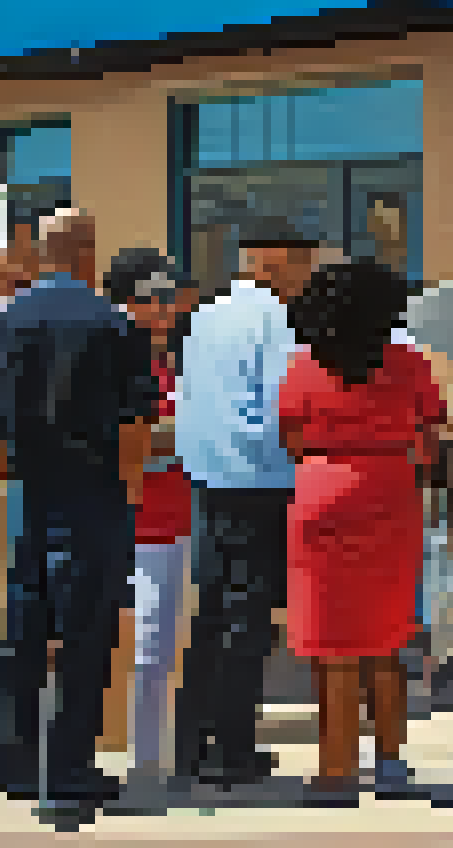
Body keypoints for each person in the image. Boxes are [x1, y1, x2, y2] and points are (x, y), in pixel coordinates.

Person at [0, 210, 157, 815]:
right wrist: (128, 486)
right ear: (88, 251)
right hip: (92, 491)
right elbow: (135, 423)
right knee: (85, 634)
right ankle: (68, 773)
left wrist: (7, 467)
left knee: (24, 631)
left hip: (34, 491)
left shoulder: (7, 319)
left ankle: (20, 764)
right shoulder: (113, 324)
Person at [282, 260, 446, 791]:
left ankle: (336, 768)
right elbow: (433, 428)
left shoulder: (304, 366)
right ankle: (391, 761)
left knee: (331, 643)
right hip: (391, 495)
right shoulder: (409, 363)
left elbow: (290, 437)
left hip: (320, 496)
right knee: (386, 636)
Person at [172, 216, 316, 789]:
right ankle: (234, 750)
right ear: (274, 262)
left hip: (206, 478)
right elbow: (289, 402)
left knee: (210, 614)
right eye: (302, 265)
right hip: (259, 481)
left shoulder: (206, 312)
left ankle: (189, 746)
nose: (306, 278)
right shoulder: (273, 316)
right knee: (248, 620)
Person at [95, 247, 197, 788]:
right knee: (131, 645)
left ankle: (150, 758)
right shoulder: (110, 362)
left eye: (168, 300)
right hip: (129, 520)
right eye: (148, 300)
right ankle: (135, 762)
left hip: (173, 520)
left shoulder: (169, 360)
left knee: (158, 647)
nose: (162, 311)